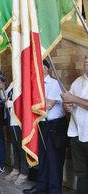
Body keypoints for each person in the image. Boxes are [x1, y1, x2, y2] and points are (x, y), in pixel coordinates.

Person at [23, 60, 68, 194]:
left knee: (54, 160)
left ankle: (54, 190)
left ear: (45, 69)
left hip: (55, 126)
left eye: (37, 67)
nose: (34, 70)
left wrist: (33, 99)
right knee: (42, 158)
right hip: (42, 124)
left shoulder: (54, 84)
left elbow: (48, 105)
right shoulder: (36, 85)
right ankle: (41, 186)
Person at [60, 55, 88, 194]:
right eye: (86, 58)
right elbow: (68, 101)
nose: (87, 61)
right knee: (81, 173)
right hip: (76, 133)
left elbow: (73, 98)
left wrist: (73, 99)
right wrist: (68, 106)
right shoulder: (78, 81)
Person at [4, 83, 29, 186]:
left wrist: (11, 104)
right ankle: (16, 168)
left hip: (20, 119)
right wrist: (3, 89)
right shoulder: (13, 83)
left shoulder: (25, 81)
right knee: (15, 144)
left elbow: (25, 100)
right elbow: (6, 96)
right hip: (11, 117)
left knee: (22, 146)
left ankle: (24, 172)